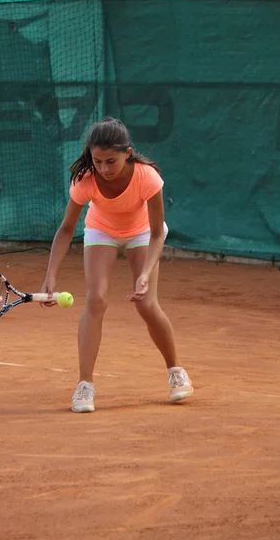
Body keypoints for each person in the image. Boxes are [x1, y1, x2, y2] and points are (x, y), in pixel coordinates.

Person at [40, 116, 193, 413]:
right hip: (102, 231)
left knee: (146, 304)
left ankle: (176, 371)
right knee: (96, 299)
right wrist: (50, 275)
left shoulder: (147, 177)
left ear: (127, 152)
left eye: (111, 161)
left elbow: (158, 231)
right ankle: (85, 385)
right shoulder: (85, 182)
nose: (104, 169)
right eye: (97, 161)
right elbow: (66, 229)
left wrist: (145, 274)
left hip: (142, 232)